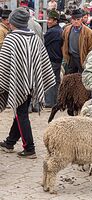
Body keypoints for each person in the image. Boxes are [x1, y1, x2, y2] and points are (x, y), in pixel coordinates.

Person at [0, 7, 55, 158]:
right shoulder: (35, 38)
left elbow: (3, 65)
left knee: (21, 113)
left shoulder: (11, 39)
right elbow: (43, 61)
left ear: (13, 23)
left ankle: (29, 148)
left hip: (18, 83)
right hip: (33, 82)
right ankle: (10, 142)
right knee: (20, 112)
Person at [62, 9, 92, 74]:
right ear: (71, 20)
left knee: (83, 77)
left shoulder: (88, 32)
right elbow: (63, 42)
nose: (76, 21)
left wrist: (88, 60)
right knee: (70, 77)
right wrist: (65, 54)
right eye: (74, 19)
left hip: (82, 57)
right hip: (71, 57)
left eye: (78, 19)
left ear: (81, 20)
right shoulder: (67, 29)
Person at [44, 10, 63, 108]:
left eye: (50, 19)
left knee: (48, 80)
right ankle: (55, 101)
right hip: (58, 60)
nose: (48, 21)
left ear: (56, 21)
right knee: (55, 81)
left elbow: (43, 42)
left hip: (51, 60)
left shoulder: (52, 31)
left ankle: (49, 102)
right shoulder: (59, 30)